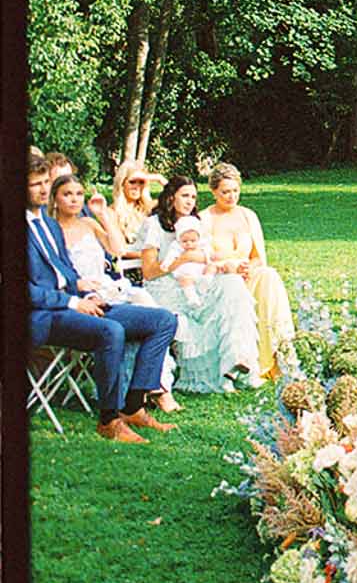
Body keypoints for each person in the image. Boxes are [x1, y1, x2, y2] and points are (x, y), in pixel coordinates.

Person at [26, 149, 178, 443]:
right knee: (111, 330)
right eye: (36, 184)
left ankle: (133, 406)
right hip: (43, 315)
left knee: (162, 320)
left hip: (77, 303)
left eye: (46, 182)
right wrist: (72, 301)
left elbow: (65, 271)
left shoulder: (47, 224)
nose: (44, 189)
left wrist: (84, 290)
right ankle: (109, 419)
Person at [50, 168, 181, 410]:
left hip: (111, 289)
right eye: (67, 194)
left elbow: (117, 249)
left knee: (164, 320)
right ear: (55, 198)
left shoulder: (88, 223)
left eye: (79, 194)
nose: (75, 199)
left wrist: (103, 215)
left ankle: (142, 395)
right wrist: (80, 291)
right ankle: (137, 402)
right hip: (81, 301)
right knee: (141, 323)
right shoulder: (49, 231)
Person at [137, 175, 261, 392]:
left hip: (197, 281)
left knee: (233, 285)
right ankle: (215, 372)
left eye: (193, 197)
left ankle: (237, 358)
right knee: (211, 299)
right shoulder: (154, 225)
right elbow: (148, 272)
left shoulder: (195, 224)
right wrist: (182, 260)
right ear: (170, 197)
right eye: (184, 196)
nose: (189, 201)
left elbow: (208, 257)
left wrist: (225, 266)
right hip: (165, 287)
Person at [200, 162, 294, 379]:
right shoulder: (204, 219)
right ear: (213, 191)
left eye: (235, 191)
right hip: (218, 278)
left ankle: (280, 353)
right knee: (235, 285)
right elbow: (201, 260)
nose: (231, 196)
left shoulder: (248, 216)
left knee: (270, 276)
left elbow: (259, 257)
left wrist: (248, 268)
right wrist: (227, 267)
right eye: (225, 192)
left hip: (248, 274)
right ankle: (244, 360)